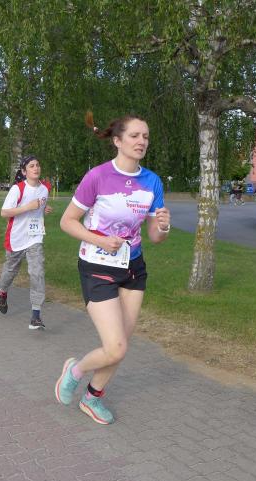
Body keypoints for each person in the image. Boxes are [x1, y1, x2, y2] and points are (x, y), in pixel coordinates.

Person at [54, 112, 171, 425]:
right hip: (97, 265)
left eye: (145, 136)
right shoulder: (98, 176)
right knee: (115, 347)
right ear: (117, 141)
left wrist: (163, 227)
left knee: (121, 346)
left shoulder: (152, 181)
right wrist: (100, 240)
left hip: (133, 267)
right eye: (134, 136)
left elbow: (155, 237)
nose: (141, 141)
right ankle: (75, 370)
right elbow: (67, 221)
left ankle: (92, 398)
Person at [0, 155, 53, 329]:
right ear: (24, 171)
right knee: (10, 270)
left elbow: (39, 205)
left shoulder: (45, 188)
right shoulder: (17, 189)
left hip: (35, 237)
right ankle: (2, 291)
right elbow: (4, 212)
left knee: (37, 272)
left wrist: (44, 208)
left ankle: (36, 315)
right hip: (16, 237)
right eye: (31, 166)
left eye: (37, 165)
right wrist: (28, 207)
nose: (36, 168)